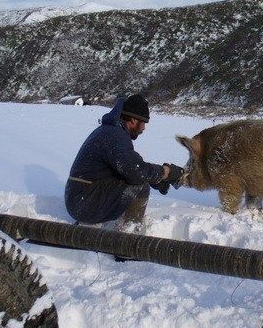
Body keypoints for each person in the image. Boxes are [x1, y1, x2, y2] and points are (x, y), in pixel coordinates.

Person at [65, 94, 184, 232]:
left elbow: (129, 167)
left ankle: (92, 224)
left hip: (81, 197)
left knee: (140, 179)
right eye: (143, 122)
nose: (144, 128)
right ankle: (126, 242)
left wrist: (154, 179)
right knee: (140, 185)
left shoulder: (111, 131)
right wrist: (165, 172)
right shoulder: (115, 136)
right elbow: (137, 172)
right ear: (133, 120)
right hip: (83, 203)